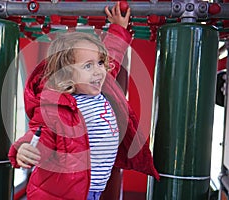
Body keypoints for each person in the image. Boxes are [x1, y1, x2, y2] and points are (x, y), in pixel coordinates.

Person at [8, 2, 159, 200]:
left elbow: (113, 54)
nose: (98, 70)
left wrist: (118, 29)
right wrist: (23, 150)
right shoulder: (57, 107)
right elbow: (39, 133)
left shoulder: (102, 86)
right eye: (88, 66)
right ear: (66, 73)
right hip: (63, 194)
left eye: (99, 63)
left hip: (93, 190)